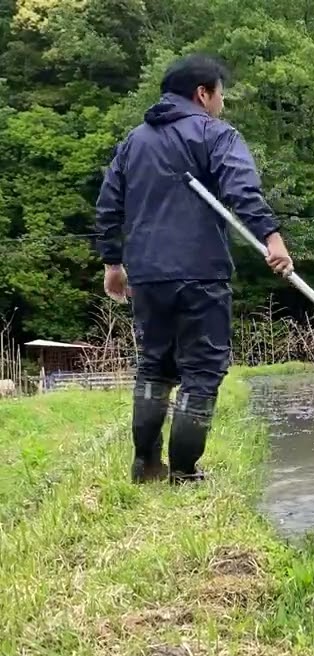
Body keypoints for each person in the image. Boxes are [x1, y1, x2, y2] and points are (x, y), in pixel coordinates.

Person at [94, 53, 294, 483]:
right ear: (203, 93)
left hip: (146, 274)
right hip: (201, 272)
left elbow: (108, 205)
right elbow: (242, 190)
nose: (222, 103)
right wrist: (272, 238)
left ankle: (145, 464)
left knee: (154, 366)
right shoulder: (215, 134)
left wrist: (113, 262)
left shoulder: (133, 142)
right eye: (221, 94)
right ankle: (184, 472)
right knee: (202, 371)